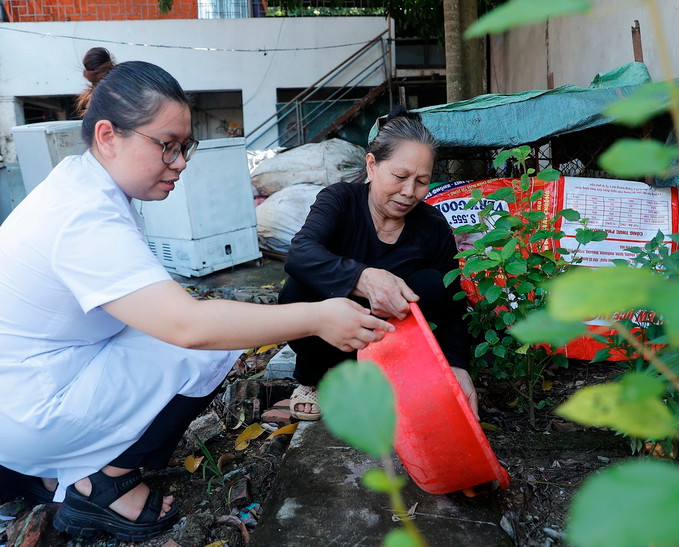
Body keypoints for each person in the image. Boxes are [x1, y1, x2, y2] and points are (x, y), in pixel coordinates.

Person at [0, 47, 392, 542]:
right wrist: (315, 317)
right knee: (211, 342)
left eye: (186, 146)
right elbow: (188, 326)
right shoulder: (84, 216)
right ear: (107, 137)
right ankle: (104, 485)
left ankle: (50, 471)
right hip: (25, 407)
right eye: (167, 145)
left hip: (27, 387)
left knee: (196, 328)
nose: (180, 162)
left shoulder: (84, 185)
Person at [278, 107, 477, 421]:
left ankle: (383, 376)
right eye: (399, 177)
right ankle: (314, 377)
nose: (409, 192)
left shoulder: (432, 225)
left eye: (422, 181)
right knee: (299, 286)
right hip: (330, 338)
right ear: (371, 166)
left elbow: (453, 303)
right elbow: (300, 253)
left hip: (390, 343)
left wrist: (458, 366)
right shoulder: (340, 200)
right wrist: (364, 278)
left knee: (434, 283)